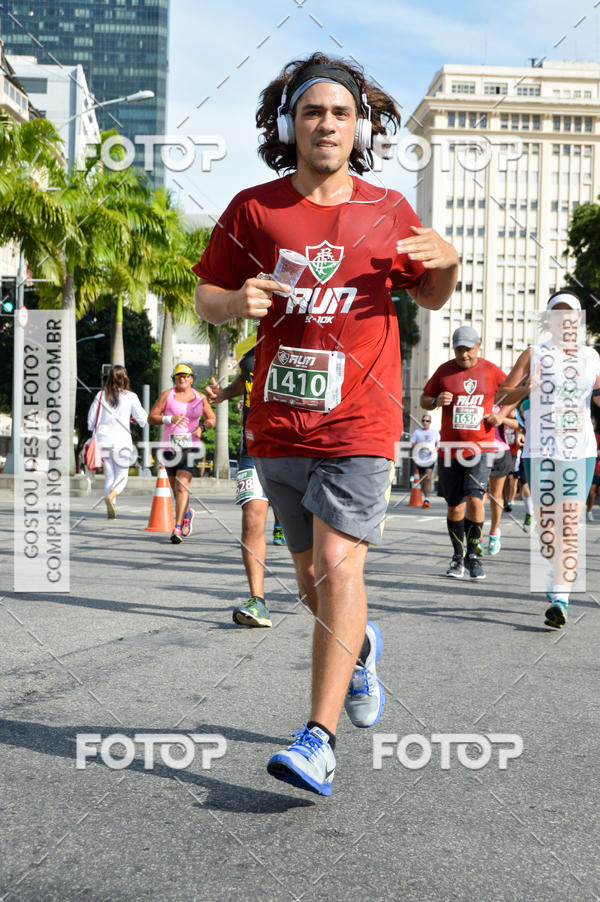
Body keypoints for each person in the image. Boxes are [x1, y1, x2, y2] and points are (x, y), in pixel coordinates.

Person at [194, 52, 458, 796]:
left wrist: (449, 263)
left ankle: (319, 737)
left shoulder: (389, 209)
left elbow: (431, 298)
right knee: (311, 580)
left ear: (361, 126)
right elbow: (206, 294)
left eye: (342, 112)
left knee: (341, 567)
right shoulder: (254, 208)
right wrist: (232, 301)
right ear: (290, 124)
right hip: (278, 422)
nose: (328, 124)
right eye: (313, 111)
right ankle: (362, 646)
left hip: (361, 424)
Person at [497, 291, 600, 628]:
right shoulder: (535, 354)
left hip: (579, 450)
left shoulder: (591, 357)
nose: (564, 319)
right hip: (540, 451)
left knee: (569, 523)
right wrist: (528, 388)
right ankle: (557, 576)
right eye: (557, 313)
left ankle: (560, 597)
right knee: (548, 528)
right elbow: (501, 396)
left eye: (570, 314)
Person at [205, 340, 286, 629]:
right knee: (252, 519)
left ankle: (322, 590)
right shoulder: (249, 344)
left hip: (296, 446)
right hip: (253, 446)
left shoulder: (302, 330)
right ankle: (258, 600)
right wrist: (224, 393)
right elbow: (248, 377)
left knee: (308, 528)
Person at [421, 326, 511, 580]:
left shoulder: (491, 371)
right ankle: (457, 558)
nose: (464, 354)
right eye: (459, 349)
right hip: (450, 449)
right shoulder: (444, 371)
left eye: (468, 349)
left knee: (475, 500)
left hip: (480, 448)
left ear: (478, 346)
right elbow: (424, 399)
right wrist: (436, 401)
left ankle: (473, 556)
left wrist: (501, 415)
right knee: (455, 507)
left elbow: (512, 393)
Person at [148, 363, 215, 544]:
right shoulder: (167, 396)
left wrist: (202, 427)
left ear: (192, 378)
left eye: (186, 376)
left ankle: (177, 527)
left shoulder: (200, 398)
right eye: (179, 376)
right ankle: (186, 513)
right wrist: (170, 418)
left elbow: (211, 418)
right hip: (169, 448)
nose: (182, 378)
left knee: (181, 486)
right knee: (174, 488)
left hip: (191, 447)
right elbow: (151, 417)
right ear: (175, 379)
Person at [87, 365, 147, 518]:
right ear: (125, 378)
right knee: (122, 476)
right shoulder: (130, 396)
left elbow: (90, 421)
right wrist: (132, 419)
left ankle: (111, 507)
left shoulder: (100, 395)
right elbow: (143, 420)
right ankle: (112, 496)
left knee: (110, 475)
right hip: (122, 441)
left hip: (103, 441)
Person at [485, 405, 520, 555]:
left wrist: (500, 418)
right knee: (476, 495)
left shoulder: (505, 403)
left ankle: (493, 533)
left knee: (495, 495)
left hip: (500, 452)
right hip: (478, 451)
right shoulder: (477, 397)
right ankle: (477, 535)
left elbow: (517, 424)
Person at [409, 414, 440, 507]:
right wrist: (419, 444)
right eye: (423, 420)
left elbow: (439, 443)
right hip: (420, 459)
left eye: (427, 421)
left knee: (428, 477)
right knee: (422, 480)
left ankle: (427, 499)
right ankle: (425, 496)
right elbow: (411, 444)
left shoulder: (434, 432)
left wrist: (434, 450)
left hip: (430, 458)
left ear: (430, 422)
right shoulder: (417, 432)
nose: (424, 422)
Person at [585, 415, 600, 521]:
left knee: (591, 491)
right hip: (580, 467)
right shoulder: (580, 437)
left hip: (593, 467)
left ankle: (589, 511)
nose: (591, 425)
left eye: (593, 423)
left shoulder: (598, 437)